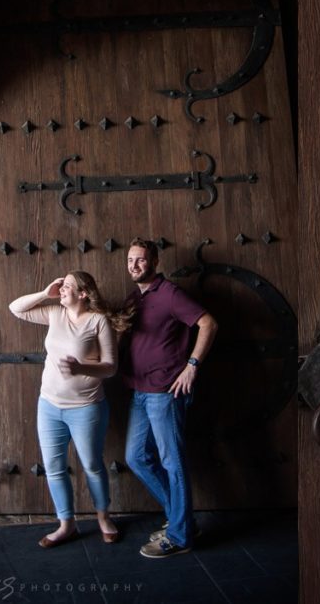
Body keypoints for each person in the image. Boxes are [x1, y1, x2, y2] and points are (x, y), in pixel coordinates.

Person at [9, 271, 130, 548]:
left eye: (67, 285)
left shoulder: (98, 321)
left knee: (92, 465)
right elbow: (15, 309)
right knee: (54, 467)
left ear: (84, 293)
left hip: (86, 408)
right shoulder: (54, 312)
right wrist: (44, 292)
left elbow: (111, 367)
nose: (62, 288)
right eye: (61, 285)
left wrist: (80, 367)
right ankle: (67, 525)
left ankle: (103, 518)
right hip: (49, 406)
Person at [122, 237, 218, 558]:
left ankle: (179, 536)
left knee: (172, 462)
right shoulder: (134, 298)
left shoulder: (171, 294)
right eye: (131, 260)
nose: (135, 265)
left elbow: (208, 323)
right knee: (136, 457)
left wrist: (192, 366)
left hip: (165, 393)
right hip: (139, 390)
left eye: (141, 260)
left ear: (154, 262)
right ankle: (183, 520)